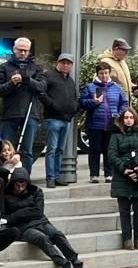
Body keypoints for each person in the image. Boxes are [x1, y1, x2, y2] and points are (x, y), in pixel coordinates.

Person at [2, 167, 84, 268]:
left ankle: (75, 262)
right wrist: (25, 213)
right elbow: (6, 217)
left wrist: (17, 214)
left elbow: (38, 212)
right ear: (13, 183)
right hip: (23, 228)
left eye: (23, 185)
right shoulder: (6, 195)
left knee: (57, 234)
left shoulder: (36, 191)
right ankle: (64, 264)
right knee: (41, 238)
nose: (20, 188)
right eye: (17, 185)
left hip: (41, 221)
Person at [0, 38, 46, 172]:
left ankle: (24, 179)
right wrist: (11, 83)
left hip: (30, 112)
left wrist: (27, 80)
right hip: (10, 113)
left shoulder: (36, 68)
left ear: (29, 51)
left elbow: (42, 87)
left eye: (25, 50)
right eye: (20, 50)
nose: (22, 53)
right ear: (14, 49)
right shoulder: (5, 67)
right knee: (6, 149)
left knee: (27, 150)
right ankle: (5, 176)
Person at [108, 108, 138, 249]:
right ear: (122, 120)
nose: (128, 120)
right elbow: (112, 155)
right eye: (126, 117)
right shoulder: (115, 135)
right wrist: (124, 168)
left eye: (131, 117)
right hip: (122, 176)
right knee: (124, 210)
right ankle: (127, 238)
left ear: (135, 119)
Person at [80, 61, 128, 183]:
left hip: (112, 125)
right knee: (94, 150)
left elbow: (124, 102)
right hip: (95, 124)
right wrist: (94, 102)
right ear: (97, 74)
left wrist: (119, 113)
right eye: (101, 73)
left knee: (109, 151)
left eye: (106, 73)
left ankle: (109, 174)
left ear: (109, 73)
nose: (104, 76)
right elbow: (82, 103)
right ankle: (94, 174)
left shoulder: (116, 88)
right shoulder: (90, 87)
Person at [41, 53, 80, 188]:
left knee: (60, 150)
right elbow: (42, 94)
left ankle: (57, 177)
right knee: (51, 149)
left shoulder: (70, 81)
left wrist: (74, 108)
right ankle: (50, 178)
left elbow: (74, 97)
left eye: (68, 63)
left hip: (66, 119)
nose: (65, 65)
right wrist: (52, 105)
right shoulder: (49, 76)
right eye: (63, 62)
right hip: (52, 118)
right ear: (57, 63)